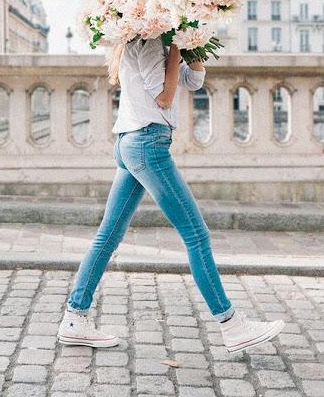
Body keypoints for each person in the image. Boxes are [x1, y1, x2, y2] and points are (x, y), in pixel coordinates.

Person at [58, 36, 285, 352]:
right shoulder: (148, 42)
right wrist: (178, 44)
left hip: (132, 143)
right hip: (147, 144)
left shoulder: (150, 43)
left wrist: (193, 46)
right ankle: (232, 325)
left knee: (107, 237)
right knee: (196, 235)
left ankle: (74, 318)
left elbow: (191, 82)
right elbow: (164, 98)